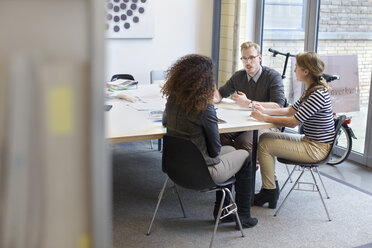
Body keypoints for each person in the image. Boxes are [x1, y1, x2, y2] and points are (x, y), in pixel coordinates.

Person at [162, 54, 258, 228]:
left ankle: (223, 211)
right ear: (205, 80)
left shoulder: (172, 101)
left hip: (175, 169)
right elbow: (214, 151)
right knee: (245, 156)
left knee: (229, 149)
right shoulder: (205, 109)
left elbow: (164, 123)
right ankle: (243, 215)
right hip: (203, 173)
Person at [250, 51, 335, 209]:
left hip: (316, 148)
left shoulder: (317, 94)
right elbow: (289, 110)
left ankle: (269, 191)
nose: (294, 70)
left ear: (306, 71)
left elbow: (293, 122)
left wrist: (264, 118)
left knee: (265, 144)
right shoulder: (311, 90)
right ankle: (270, 188)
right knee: (265, 138)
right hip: (310, 141)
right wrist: (264, 110)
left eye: (297, 67)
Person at [214, 41, 285, 156]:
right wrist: (210, 93)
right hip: (245, 121)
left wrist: (249, 103)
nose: (248, 62)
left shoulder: (273, 76)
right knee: (219, 135)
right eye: (244, 58)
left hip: (267, 123)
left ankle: (248, 170)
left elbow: (278, 106)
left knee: (243, 141)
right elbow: (220, 94)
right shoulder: (239, 76)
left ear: (260, 58)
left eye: (252, 57)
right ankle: (233, 169)